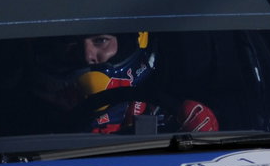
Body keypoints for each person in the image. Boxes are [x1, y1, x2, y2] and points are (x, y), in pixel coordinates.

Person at [38, 32, 219, 135]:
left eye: (100, 40)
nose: (88, 56)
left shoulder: (166, 115)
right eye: (71, 43)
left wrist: (200, 140)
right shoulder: (32, 115)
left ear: (131, 42)